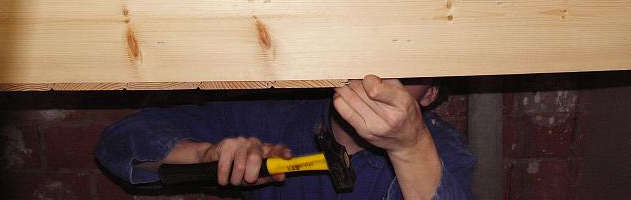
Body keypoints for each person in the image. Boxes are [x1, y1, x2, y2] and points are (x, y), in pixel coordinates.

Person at [95, 75, 475, 199]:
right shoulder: (273, 115)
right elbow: (118, 145)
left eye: (409, 74)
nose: (381, 81)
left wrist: (410, 147)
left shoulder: (440, 150)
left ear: (429, 96)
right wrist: (205, 155)